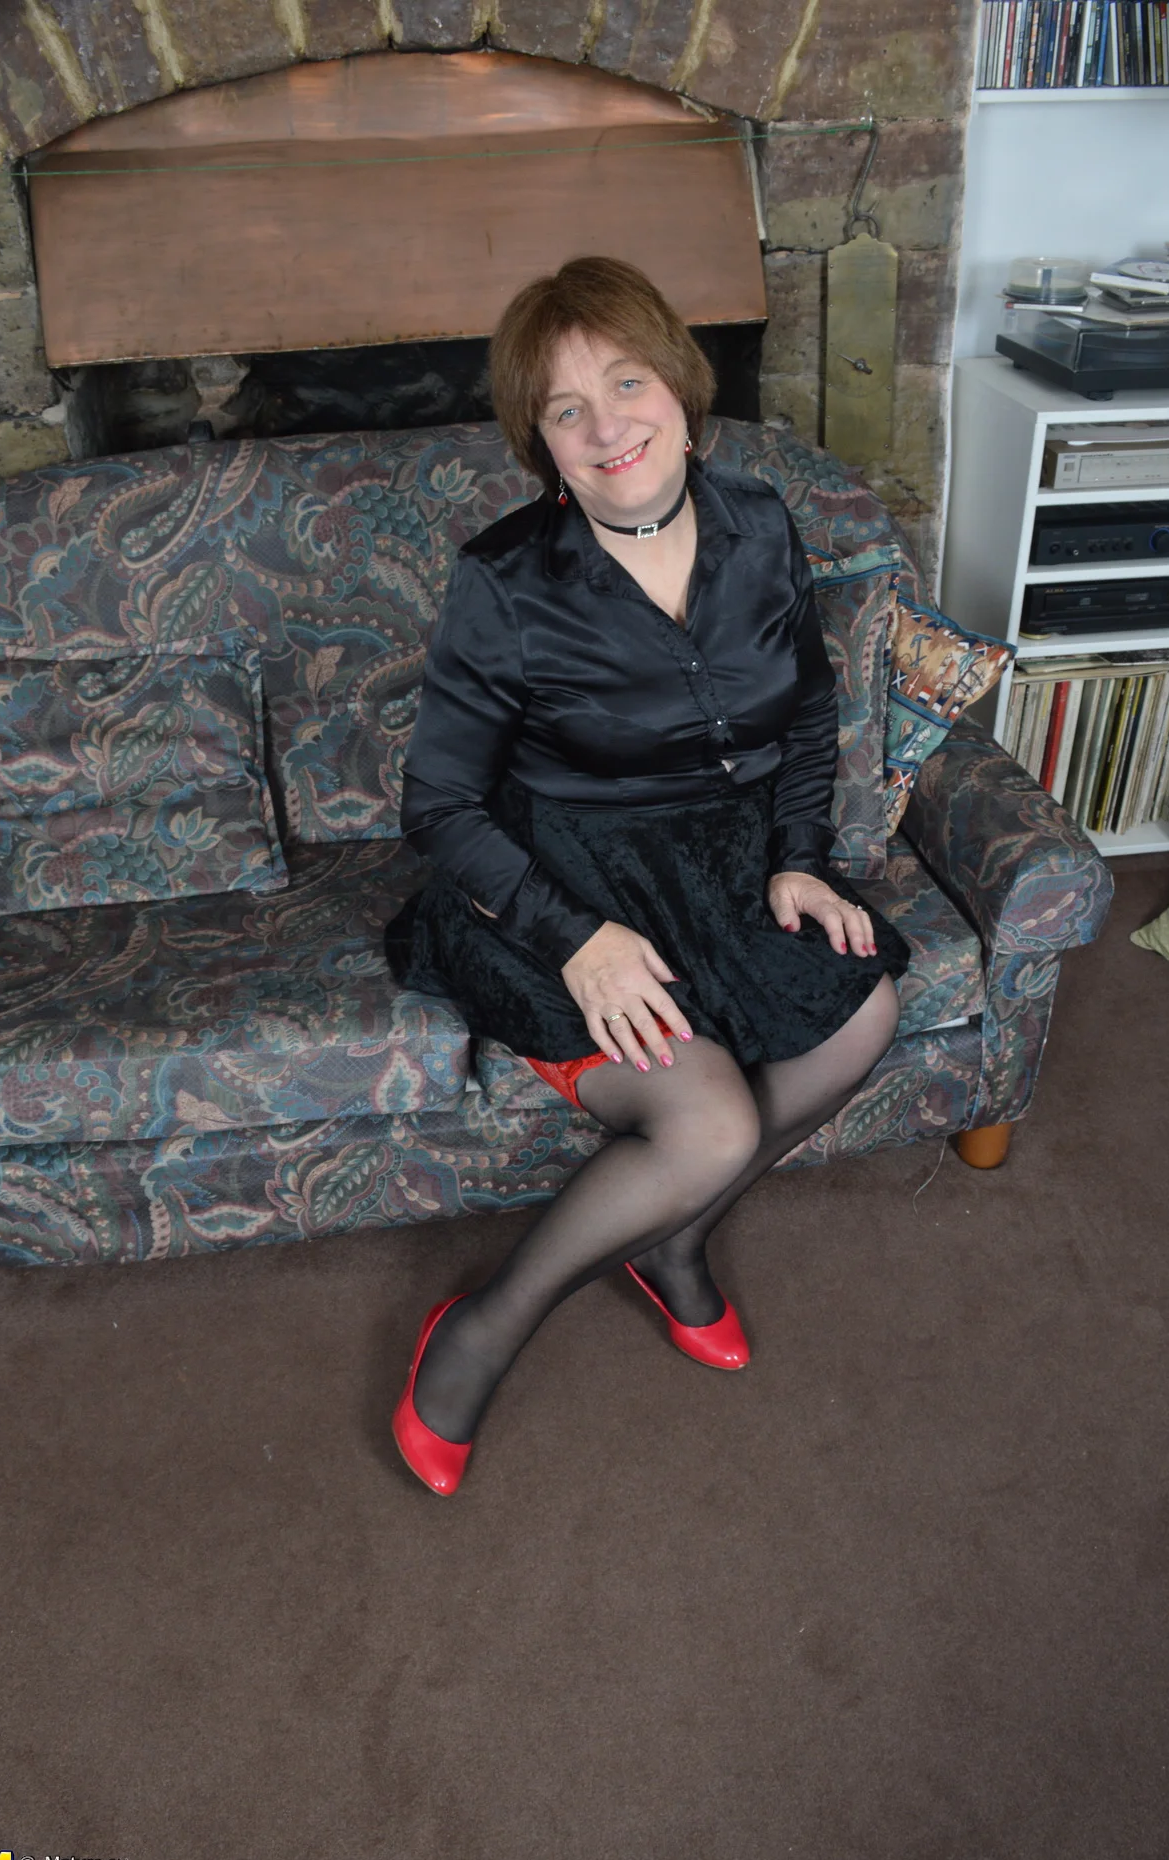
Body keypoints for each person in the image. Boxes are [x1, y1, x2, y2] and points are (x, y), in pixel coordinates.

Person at [384, 256, 910, 1496]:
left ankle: (675, 1238)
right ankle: (481, 1328)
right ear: (543, 446)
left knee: (865, 1006)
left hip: (724, 863)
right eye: (566, 408)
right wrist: (576, 938)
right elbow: (439, 807)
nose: (607, 424)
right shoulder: (504, 579)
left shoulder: (761, 523)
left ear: (678, 386)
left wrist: (800, 858)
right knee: (709, 1117)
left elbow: (808, 707)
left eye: (627, 382)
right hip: (558, 879)